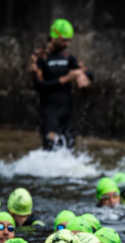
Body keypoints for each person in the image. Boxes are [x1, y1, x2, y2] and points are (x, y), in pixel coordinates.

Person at [30, 19, 93, 150]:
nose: (67, 44)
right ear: (54, 37)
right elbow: (38, 85)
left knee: (68, 149)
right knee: (51, 148)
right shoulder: (39, 57)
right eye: (64, 40)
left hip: (67, 110)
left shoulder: (67, 57)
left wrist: (80, 73)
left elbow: (90, 74)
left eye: (69, 40)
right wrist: (66, 78)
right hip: (49, 110)